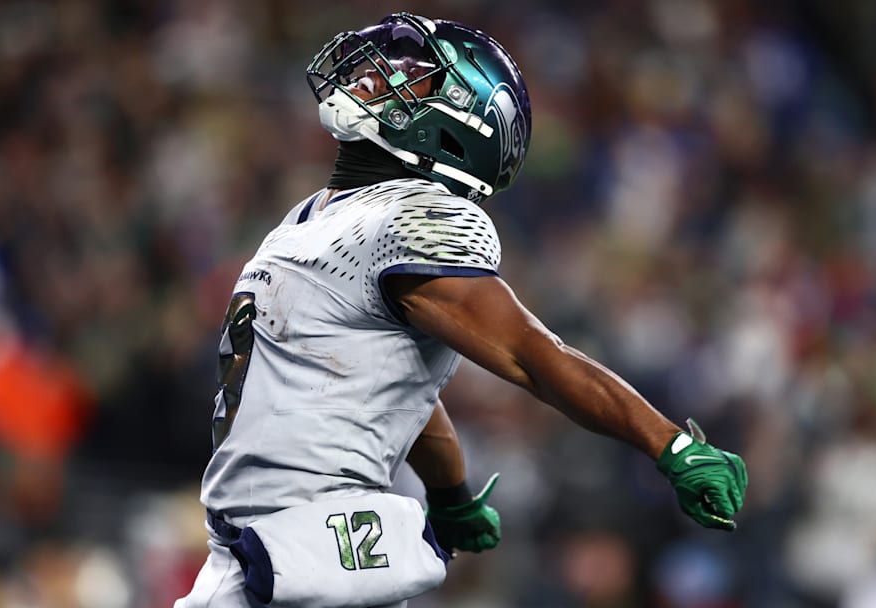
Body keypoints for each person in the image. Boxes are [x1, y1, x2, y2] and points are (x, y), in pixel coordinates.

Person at [176, 12, 747, 608]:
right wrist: (451, 493)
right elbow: (396, 388)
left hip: (296, 556)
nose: (381, 76)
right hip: (282, 554)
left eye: (415, 76)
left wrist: (670, 445)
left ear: (458, 127)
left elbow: (533, 356)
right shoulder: (317, 215)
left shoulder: (414, 214)